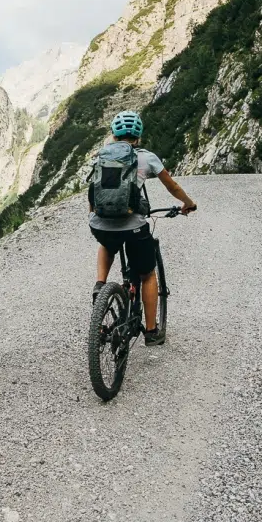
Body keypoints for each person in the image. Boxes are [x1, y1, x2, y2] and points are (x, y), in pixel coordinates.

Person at [88, 110, 197, 346]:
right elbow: (172, 186)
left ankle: (100, 284)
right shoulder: (147, 158)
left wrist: (97, 216)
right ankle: (151, 332)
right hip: (134, 227)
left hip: (101, 224)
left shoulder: (102, 157)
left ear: (114, 135)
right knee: (147, 274)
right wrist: (187, 204)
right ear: (138, 136)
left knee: (107, 243)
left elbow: (93, 194)